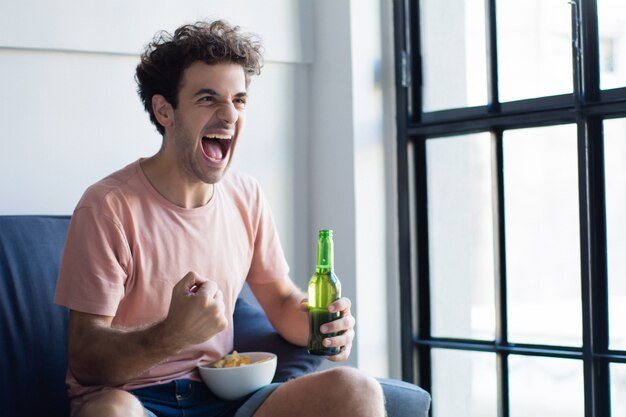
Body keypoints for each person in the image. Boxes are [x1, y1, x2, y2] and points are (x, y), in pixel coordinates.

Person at [54, 20, 385, 417]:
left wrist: (323, 324)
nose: (229, 115)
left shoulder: (247, 196)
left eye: (239, 100)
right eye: (208, 99)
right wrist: (171, 334)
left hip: (226, 395)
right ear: (165, 110)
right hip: (137, 400)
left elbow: (279, 299)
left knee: (357, 390)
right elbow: (86, 360)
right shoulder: (107, 206)